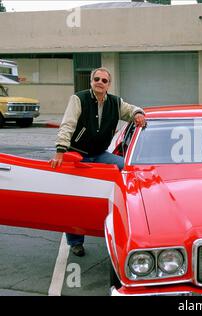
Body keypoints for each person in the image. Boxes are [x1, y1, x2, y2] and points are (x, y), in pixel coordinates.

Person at [50, 67, 146, 257]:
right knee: (75, 199)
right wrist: (60, 151)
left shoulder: (115, 102)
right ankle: (76, 242)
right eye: (96, 79)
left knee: (127, 167)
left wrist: (138, 114)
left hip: (99, 153)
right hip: (77, 154)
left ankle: (133, 224)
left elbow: (131, 110)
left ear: (108, 84)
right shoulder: (79, 98)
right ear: (91, 81)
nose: (100, 82)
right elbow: (67, 124)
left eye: (104, 80)